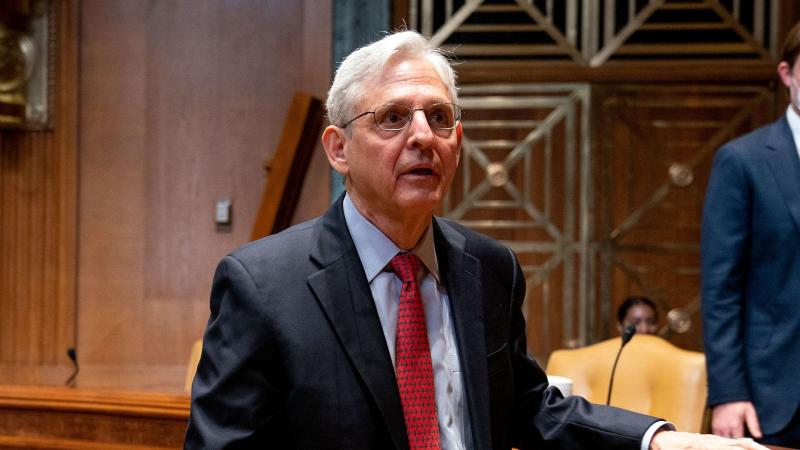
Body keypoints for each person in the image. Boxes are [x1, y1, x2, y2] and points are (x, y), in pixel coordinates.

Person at [185, 30, 766, 450]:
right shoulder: (264, 286)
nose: (422, 136)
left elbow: (526, 406)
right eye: (393, 118)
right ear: (338, 147)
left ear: (458, 141)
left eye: (439, 118)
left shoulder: (488, 268)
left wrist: (660, 442)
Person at [701, 21, 800, 448]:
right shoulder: (742, 161)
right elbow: (721, 288)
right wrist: (728, 393)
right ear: (787, 73)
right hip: (773, 395)